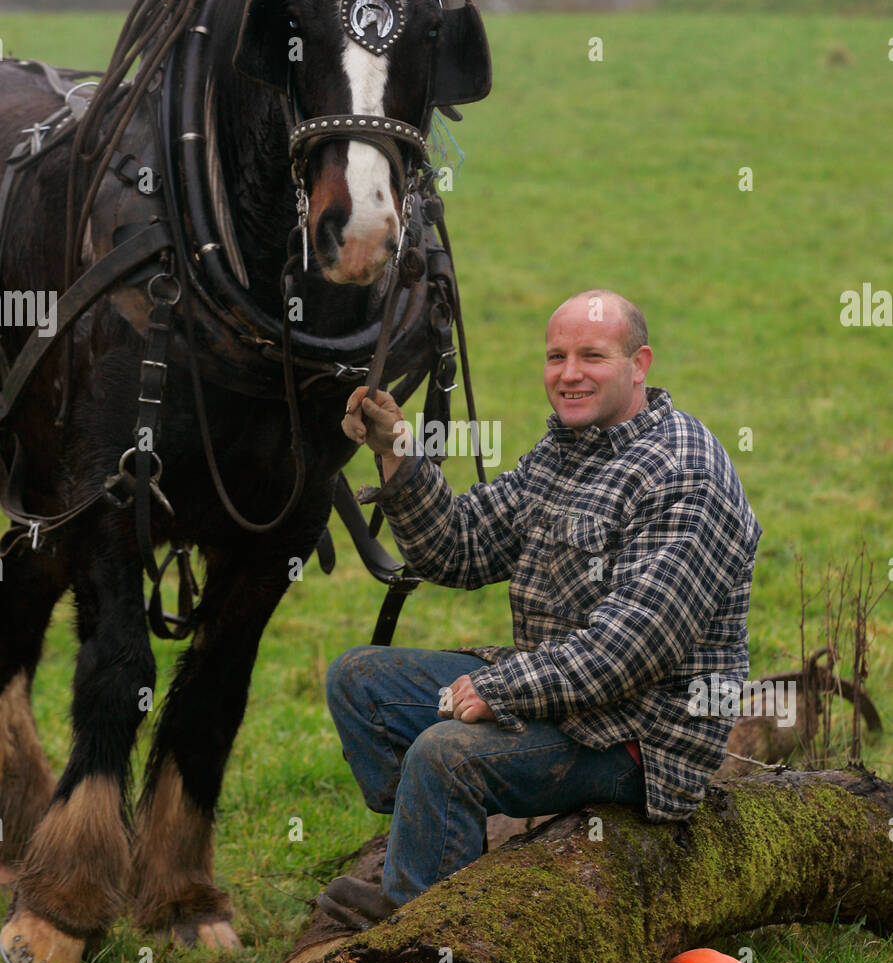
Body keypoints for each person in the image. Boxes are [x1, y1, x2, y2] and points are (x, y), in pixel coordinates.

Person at [316, 289, 762, 930]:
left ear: (640, 364)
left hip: (640, 734)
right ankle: (433, 854)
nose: (569, 373)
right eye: (557, 356)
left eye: (592, 356)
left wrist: (502, 689)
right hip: (565, 701)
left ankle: (424, 926)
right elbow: (460, 549)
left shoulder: (684, 471)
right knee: (359, 683)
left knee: (446, 754)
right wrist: (398, 452)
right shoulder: (564, 450)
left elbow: (628, 649)